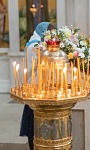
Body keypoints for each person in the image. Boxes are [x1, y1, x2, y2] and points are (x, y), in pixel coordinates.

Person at [19, 22, 55, 150]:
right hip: (35, 88)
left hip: (38, 86)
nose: (53, 39)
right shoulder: (35, 46)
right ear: (44, 33)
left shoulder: (34, 43)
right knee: (33, 125)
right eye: (51, 35)